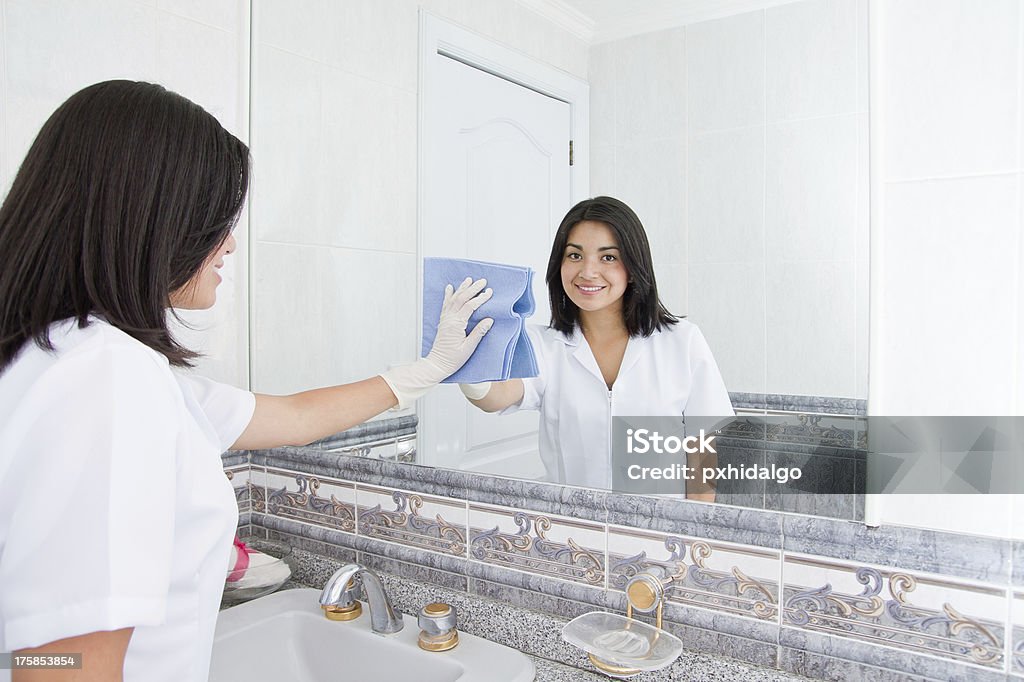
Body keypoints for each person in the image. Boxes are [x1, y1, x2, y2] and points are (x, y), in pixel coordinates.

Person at [0, 80, 492, 682]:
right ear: (154, 221)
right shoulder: (106, 376)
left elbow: (293, 416)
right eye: (215, 222)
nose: (228, 245)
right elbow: (64, 667)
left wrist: (427, 371)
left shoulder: (54, 355)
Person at [460, 196, 732, 495]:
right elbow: (495, 396)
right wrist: (463, 360)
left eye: (608, 257)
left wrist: (692, 533)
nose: (588, 272)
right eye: (575, 255)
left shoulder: (682, 342)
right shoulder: (544, 345)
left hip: (661, 533)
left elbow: (707, 455)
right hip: (574, 531)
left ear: (633, 266)